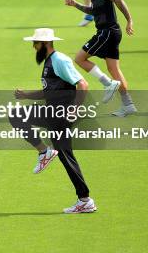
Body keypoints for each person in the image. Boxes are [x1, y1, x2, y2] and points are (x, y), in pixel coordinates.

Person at [13, 28, 96, 214]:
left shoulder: (59, 60)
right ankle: (84, 199)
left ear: (44, 43)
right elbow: (49, 92)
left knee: (16, 116)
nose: (34, 47)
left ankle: (45, 153)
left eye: (35, 43)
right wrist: (26, 94)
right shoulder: (50, 62)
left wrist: (74, 109)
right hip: (53, 112)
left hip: (61, 114)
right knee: (66, 156)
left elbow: (82, 84)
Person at [64, 0, 136, 116]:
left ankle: (107, 83)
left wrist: (129, 20)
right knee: (114, 69)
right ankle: (128, 104)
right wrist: (75, 4)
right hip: (112, 32)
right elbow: (93, 10)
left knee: (79, 58)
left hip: (107, 32)